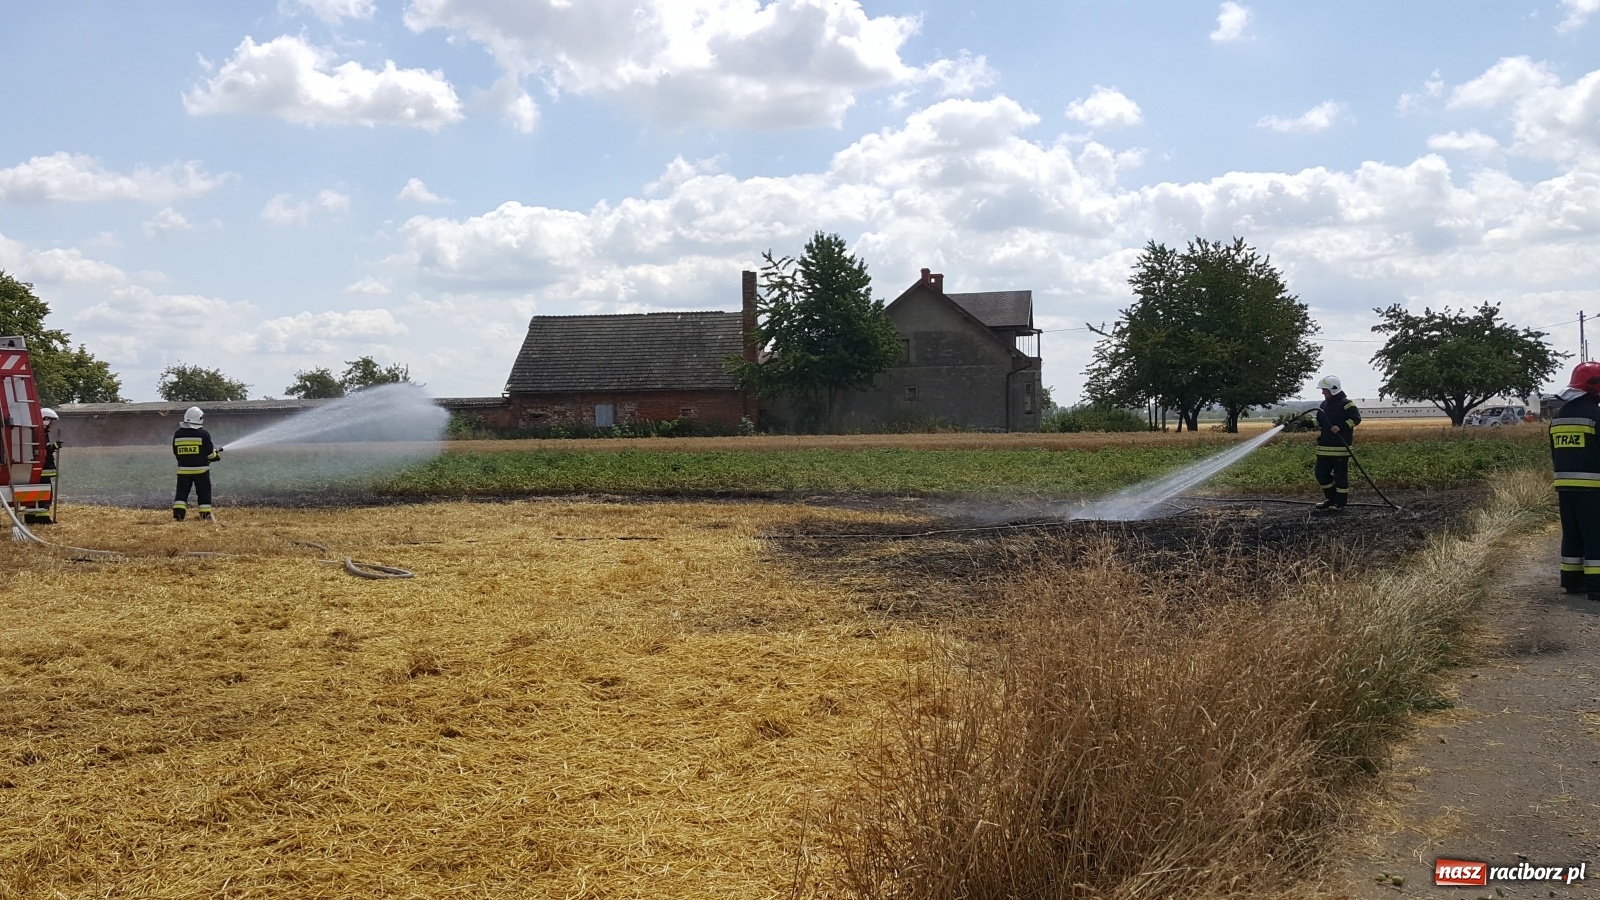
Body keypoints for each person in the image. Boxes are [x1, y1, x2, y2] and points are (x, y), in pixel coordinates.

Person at [1551, 361, 1600, 599]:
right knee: (1595, 535)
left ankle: (1572, 581)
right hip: (1593, 489)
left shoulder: (1559, 417)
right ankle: (1596, 586)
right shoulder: (1595, 415)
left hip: (1565, 487)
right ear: (1594, 387)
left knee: (1572, 534)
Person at [1312, 374, 1361, 511]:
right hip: (1324, 448)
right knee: (1320, 473)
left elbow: (1356, 419)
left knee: (1340, 477)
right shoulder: (1324, 405)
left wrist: (1341, 426)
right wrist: (1304, 423)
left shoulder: (1347, 404)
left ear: (1333, 390)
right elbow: (1320, 421)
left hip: (1340, 448)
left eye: (1324, 390)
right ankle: (1331, 498)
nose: (1322, 392)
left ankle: (1340, 503)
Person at [172, 406, 222, 521]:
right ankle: (205, 516)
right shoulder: (203, 433)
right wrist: (216, 456)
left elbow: (176, 451)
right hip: (201, 471)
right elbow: (210, 454)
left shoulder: (178, 434)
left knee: (181, 493)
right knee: (204, 492)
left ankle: (178, 516)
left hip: (183, 470)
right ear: (200, 418)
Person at [26, 407, 61, 524]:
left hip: (38, 469)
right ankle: (42, 518)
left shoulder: (37, 432)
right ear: (45, 420)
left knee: (36, 494)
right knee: (45, 494)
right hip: (43, 469)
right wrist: (54, 446)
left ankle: (32, 517)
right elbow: (44, 450)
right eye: (51, 421)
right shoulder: (40, 433)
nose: (52, 424)